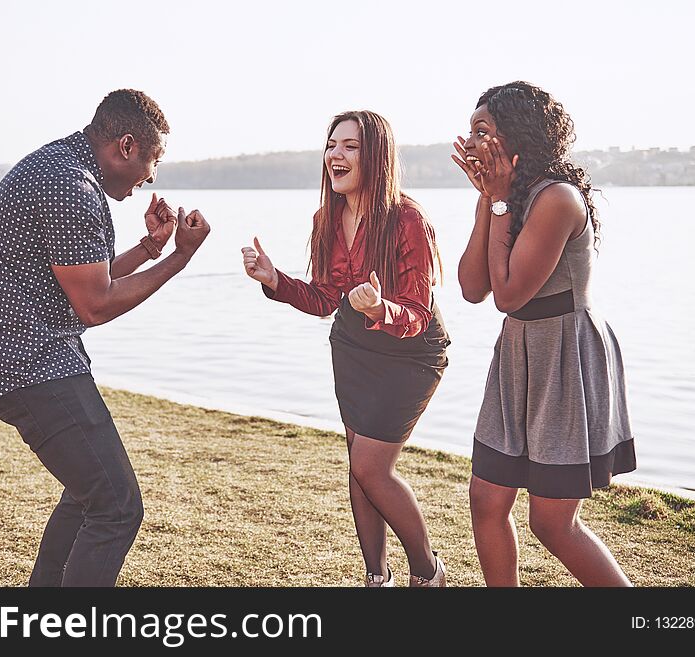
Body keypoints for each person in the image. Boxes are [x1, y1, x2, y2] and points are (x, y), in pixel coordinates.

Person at [0, 89, 211, 586]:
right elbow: (95, 305)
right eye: (153, 161)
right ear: (127, 146)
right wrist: (181, 256)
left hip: (18, 358)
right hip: (30, 363)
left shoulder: (61, 169)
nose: (152, 177)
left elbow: (84, 277)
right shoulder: (71, 188)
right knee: (116, 507)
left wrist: (150, 247)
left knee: (89, 493)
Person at [242, 110, 449, 587]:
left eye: (350, 146)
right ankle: (377, 580)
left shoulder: (409, 220)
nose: (336, 154)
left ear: (376, 156)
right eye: (332, 145)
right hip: (353, 349)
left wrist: (381, 310)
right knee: (358, 464)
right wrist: (274, 279)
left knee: (371, 467)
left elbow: (417, 311)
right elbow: (322, 299)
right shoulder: (327, 218)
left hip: (410, 353)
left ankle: (428, 573)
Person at [453, 81, 635, 586]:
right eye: (469, 132)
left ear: (517, 135)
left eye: (482, 131)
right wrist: (491, 201)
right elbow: (472, 288)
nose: (470, 143)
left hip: (564, 358)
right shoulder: (504, 195)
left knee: (552, 523)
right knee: (486, 500)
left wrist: (496, 201)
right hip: (517, 355)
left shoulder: (558, 198)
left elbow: (509, 294)